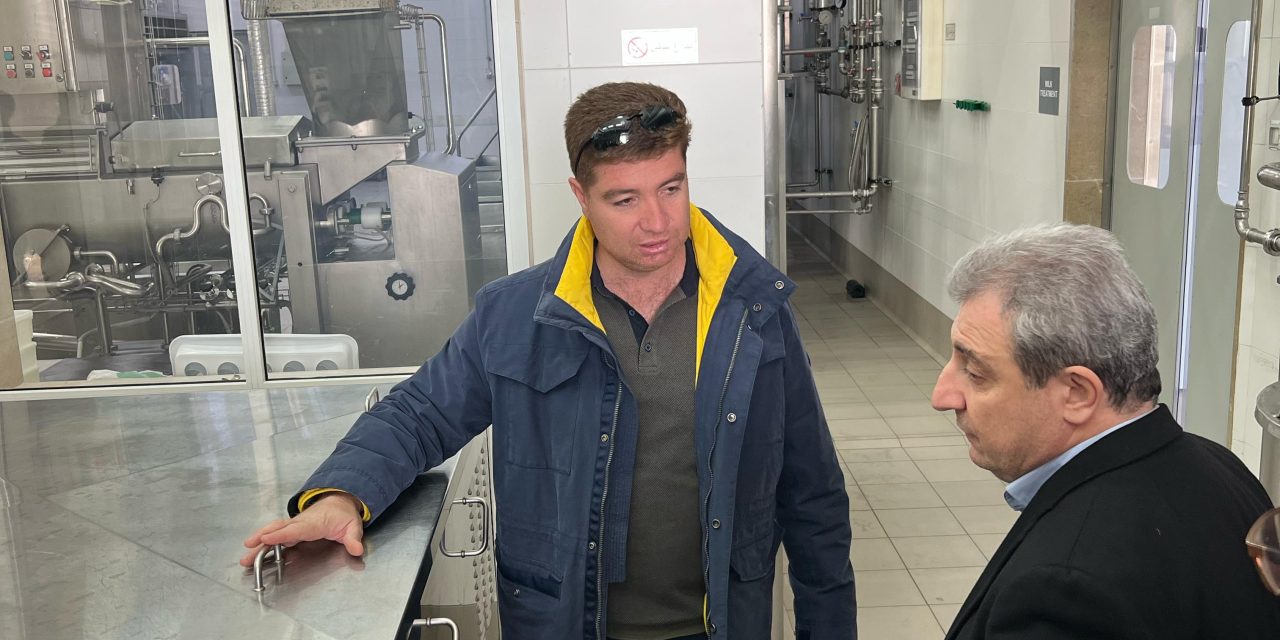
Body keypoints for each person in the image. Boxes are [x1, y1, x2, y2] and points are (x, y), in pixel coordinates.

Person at [240, 82, 855, 640]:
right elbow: (419, 414)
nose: (657, 221)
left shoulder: (752, 311)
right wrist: (342, 495)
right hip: (562, 624)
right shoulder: (516, 315)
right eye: (624, 199)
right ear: (580, 196)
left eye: (671, 188)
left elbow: (813, 494)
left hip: (720, 624)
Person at [930, 223, 1280, 639]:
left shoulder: (1062, 594)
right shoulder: (1219, 465)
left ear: (1077, 393)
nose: (942, 395)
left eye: (975, 372)